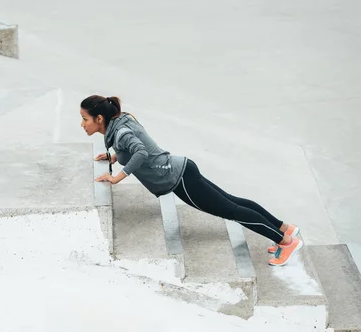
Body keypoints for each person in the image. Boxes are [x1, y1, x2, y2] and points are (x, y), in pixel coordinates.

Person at [80, 94, 303, 266]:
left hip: (177, 178)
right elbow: (135, 148)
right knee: (234, 203)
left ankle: (286, 242)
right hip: (183, 169)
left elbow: (140, 152)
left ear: (99, 119)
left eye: (85, 119)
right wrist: (113, 156)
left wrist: (118, 176)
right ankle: (285, 228)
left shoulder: (119, 133)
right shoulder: (121, 123)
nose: (82, 124)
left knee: (232, 211)